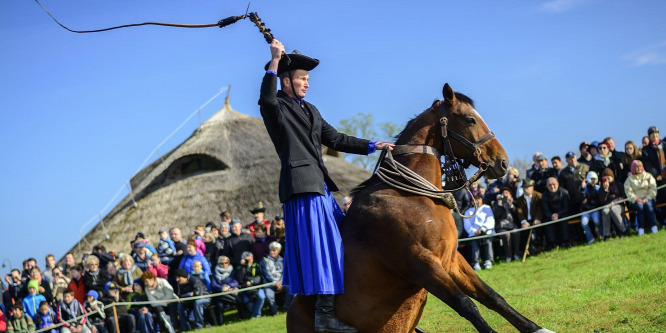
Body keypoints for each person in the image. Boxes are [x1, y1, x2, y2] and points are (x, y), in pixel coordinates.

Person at [259, 39, 393, 333]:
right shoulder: (277, 106)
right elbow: (266, 100)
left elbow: (336, 139)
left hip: (320, 187)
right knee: (326, 248)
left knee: (346, 241)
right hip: (302, 188)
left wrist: (373, 145)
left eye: (308, 79)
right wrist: (274, 60)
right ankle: (325, 317)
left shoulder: (312, 110)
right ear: (286, 81)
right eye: (302, 79)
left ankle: (349, 306)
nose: (307, 83)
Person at [624, 160, 658, 235]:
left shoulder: (648, 176)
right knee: (640, 207)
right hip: (636, 200)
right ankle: (641, 228)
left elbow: (653, 188)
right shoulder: (629, 179)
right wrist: (636, 199)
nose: (639, 169)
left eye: (640, 167)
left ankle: (654, 226)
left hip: (649, 198)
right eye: (637, 167)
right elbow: (628, 192)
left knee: (648, 206)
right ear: (633, 168)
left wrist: (647, 198)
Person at [463, 194, 495, 270]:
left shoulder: (487, 208)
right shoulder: (468, 212)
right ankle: (476, 262)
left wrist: (483, 229)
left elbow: (490, 220)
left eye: (479, 199)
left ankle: (488, 260)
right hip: (474, 233)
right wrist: (474, 231)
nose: (477, 201)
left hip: (486, 231)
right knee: (474, 243)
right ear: (471, 202)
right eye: (475, 200)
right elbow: (467, 224)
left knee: (487, 241)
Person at [514, 179, 545, 256]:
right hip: (526, 221)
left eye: (528, 187)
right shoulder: (519, 200)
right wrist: (523, 221)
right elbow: (519, 212)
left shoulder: (538, 196)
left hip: (537, 220)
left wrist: (537, 219)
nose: (526, 189)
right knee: (524, 234)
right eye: (524, 187)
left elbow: (540, 209)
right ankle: (527, 251)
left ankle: (540, 248)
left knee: (539, 232)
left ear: (532, 187)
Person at [261, 242, 293, 314]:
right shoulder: (265, 260)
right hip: (270, 283)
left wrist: (281, 282)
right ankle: (275, 312)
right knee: (269, 295)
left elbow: (285, 273)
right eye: (270, 250)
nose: (271, 252)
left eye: (274, 250)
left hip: (282, 282)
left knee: (291, 289)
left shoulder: (283, 260)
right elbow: (265, 274)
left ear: (278, 251)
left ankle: (286, 308)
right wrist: (275, 283)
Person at [542, 177, 571, 248]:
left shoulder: (564, 193)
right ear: (546, 186)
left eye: (553, 184)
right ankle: (552, 243)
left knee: (564, 220)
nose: (552, 186)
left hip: (563, 213)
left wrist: (558, 214)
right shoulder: (544, 196)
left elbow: (566, 207)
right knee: (547, 222)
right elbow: (545, 210)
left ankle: (566, 241)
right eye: (549, 185)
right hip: (551, 216)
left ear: (558, 184)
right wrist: (551, 216)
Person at [492, 188, 520, 262]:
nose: (505, 194)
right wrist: (499, 205)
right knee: (506, 235)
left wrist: (511, 205)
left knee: (516, 232)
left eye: (507, 193)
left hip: (512, 225)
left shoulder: (513, 203)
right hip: (501, 227)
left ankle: (516, 254)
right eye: (503, 193)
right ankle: (508, 256)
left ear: (510, 195)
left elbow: (516, 214)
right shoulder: (496, 203)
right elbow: (495, 215)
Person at [235, 252, 265, 319]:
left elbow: (259, 276)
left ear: (252, 258)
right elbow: (240, 279)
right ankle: (256, 315)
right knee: (246, 301)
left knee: (261, 297)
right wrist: (243, 266)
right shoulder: (240, 267)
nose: (248, 261)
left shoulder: (256, 265)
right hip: (245, 289)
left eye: (250, 259)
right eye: (246, 259)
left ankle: (256, 315)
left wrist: (252, 281)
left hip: (256, 287)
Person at [209, 256, 238, 325]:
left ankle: (243, 318)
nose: (224, 265)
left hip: (230, 293)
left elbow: (235, 282)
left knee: (239, 300)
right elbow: (213, 285)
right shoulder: (214, 273)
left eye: (226, 263)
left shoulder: (232, 271)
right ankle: (220, 324)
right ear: (218, 264)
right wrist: (222, 288)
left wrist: (228, 286)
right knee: (219, 305)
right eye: (222, 263)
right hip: (219, 295)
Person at [599, 169, 627, 239]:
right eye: (605, 178)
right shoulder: (602, 188)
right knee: (605, 211)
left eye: (608, 178)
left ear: (612, 177)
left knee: (614, 210)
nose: (607, 180)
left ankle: (623, 230)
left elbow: (623, 197)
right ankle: (607, 235)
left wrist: (614, 203)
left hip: (618, 205)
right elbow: (602, 201)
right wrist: (605, 190)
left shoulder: (618, 185)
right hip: (607, 206)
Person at [560, 151, 589, 215]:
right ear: (567, 161)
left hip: (584, 198)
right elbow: (562, 187)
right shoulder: (563, 172)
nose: (572, 160)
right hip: (572, 200)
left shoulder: (585, 167)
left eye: (573, 158)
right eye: (570, 159)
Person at [580, 171, 602, 244]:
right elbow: (582, 200)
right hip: (586, 210)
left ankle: (603, 235)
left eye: (594, 179)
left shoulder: (598, 188)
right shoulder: (584, 188)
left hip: (595, 209)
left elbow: (599, 199)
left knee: (597, 221)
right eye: (592, 179)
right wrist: (582, 189)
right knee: (584, 223)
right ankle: (590, 238)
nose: (593, 180)